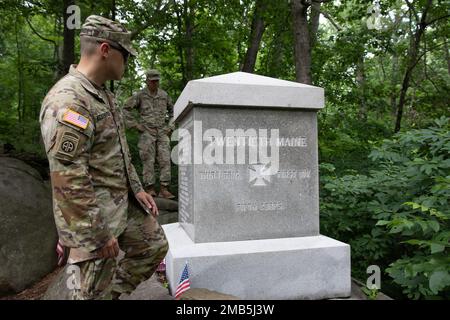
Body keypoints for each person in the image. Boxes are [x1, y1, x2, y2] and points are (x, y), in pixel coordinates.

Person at [39, 15, 168, 300]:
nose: (128, 62)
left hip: (121, 202)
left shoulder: (103, 95)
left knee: (153, 246)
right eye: (125, 55)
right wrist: (97, 234)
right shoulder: (68, 99)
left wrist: (137, 188)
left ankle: (111, 295)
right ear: (106, 50)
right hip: (92, 216)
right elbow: (68, 179)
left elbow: (119, 150)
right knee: (85, 293)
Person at [123, 69, 175, 199]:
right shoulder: (140, 95)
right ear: (147, 81)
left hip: (162, 132)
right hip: (147, 132)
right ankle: (150, 188)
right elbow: (125, 109)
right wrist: (135, 125)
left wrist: (170, 126)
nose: (155, 83)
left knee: (165, 159)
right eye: (152, 81)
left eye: (157, 81)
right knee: (148, 160)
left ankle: (164, 188)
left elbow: (174, 111)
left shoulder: (164, 95)